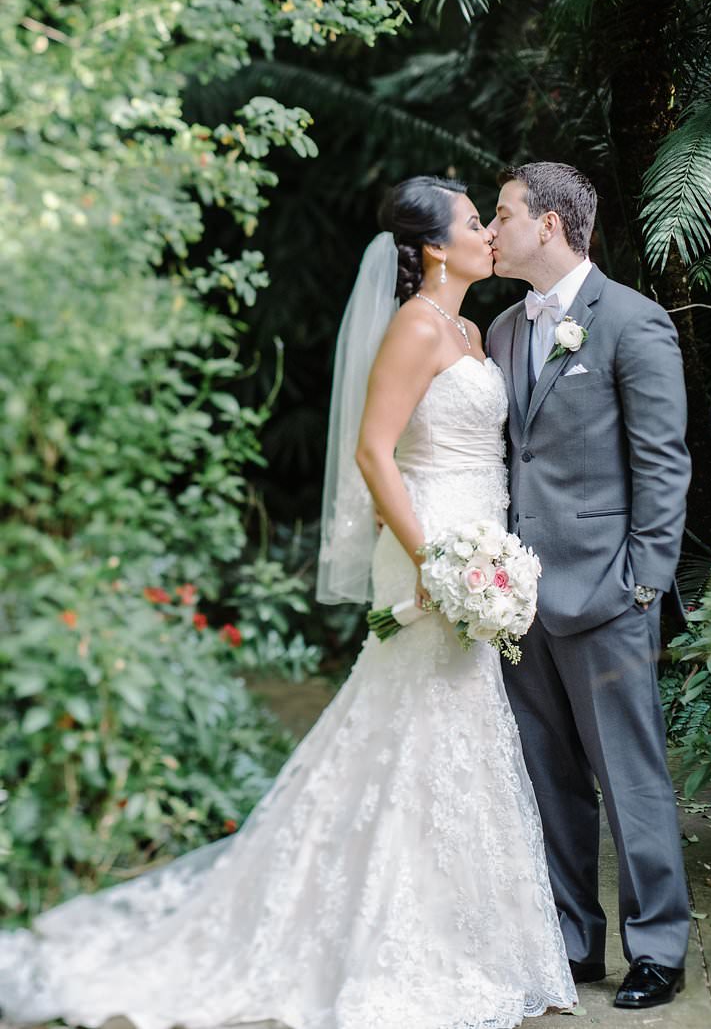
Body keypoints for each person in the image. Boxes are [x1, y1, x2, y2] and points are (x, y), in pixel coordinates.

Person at [0, 176, 575, 1029]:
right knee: (416, 725)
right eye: (471, 223)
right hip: (429, 554)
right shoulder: (416, 328)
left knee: (455, 734)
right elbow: (375, 455)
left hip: (475, 552)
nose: (489, 234)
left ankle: (460, 936)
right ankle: (386, 940)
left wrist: (480, 563)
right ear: (431, 249)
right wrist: (431, 563)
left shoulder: (467, 329)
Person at [487, 162, 691, 1012]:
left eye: (501, 215)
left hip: (609, 595)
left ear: (551, 225)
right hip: (516, 598)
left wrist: (643, 585)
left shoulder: (633, 323)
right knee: (550, 779)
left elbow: (663, 464)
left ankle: (659, 948)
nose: (491, 231)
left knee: (631, 777)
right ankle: (575, 942)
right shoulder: (500, 329)